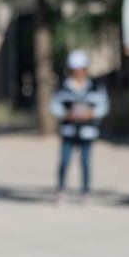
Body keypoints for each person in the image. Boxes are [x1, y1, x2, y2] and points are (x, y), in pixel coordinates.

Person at [50, 49, 109, 204]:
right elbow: (54, 106)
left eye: (80, 69)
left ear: (85, 69)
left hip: (87, 131)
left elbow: (103, 107)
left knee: (85, 162)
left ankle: (85, 191)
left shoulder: (95, 86)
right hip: (69, 130)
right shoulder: (64, 86)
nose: (77, 73)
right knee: (64, 161)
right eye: (74, 70)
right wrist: (65, 114)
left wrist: (92, 114)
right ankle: (61, 190)